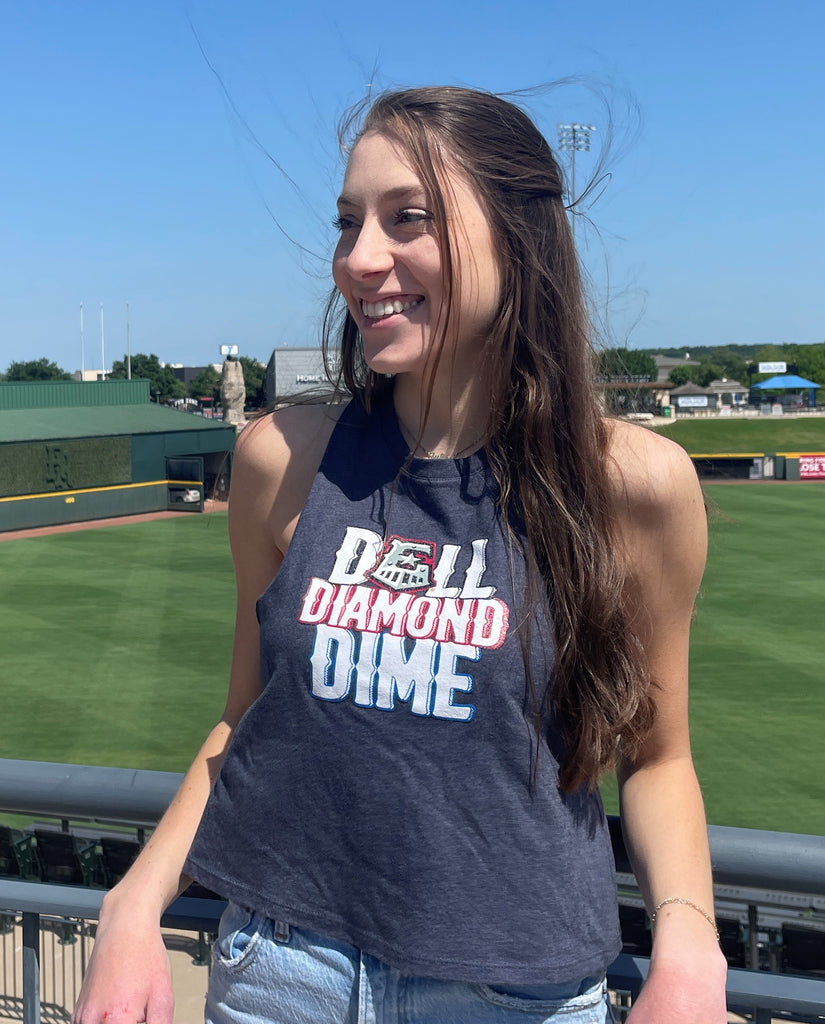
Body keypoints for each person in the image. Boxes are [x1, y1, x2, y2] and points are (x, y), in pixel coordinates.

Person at [73, 86, 727, 1024]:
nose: (360, 259)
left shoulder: (633, 486)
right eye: (347, 224)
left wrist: (689, 952)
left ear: (519, 236)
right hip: (277, 974)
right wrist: (134, 904)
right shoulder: (279, 459)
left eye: (407, 219)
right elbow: (243, 725)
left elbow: (656, 758)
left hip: (514, 995)